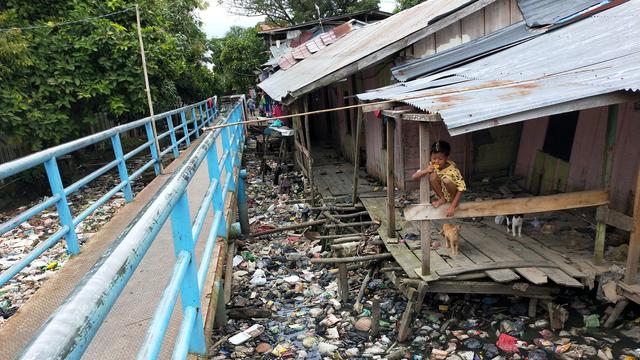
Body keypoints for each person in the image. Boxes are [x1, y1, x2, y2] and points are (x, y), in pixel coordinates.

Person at [411, 140, 466, 217]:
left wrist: (452, 206)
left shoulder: (453, 170)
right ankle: (442, 199)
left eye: (440, 159)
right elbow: (414, 177)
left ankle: (453, 201)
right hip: (443, 195)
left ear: (447, 158)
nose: (436, 161)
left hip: (453, 196)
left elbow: (462, 188)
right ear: (430, 157)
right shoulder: (431, 166)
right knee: (433, 175)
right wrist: (426, 171)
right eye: (434, 158)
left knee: (446, 180)